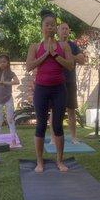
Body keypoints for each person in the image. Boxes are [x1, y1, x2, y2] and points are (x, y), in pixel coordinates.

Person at [26, 10, 74, 173]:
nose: (50, 27)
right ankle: (40, 162)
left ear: (56, 28)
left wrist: (55, 55)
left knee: (57, 125)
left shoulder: (64, 45)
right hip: (41, 89)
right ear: (42, 27)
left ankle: (59, 161)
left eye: (53, 25)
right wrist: (45, 54)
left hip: (59, 89)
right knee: (40, 124)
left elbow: (70, 65)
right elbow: (29, 66)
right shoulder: (35, 46)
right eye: (47, 25)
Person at [50, 22, 85, 144]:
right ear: (58, 31)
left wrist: (68, 54)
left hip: (70, 82)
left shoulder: (73, 46)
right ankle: (53, 138)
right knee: (54, 111)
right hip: (56, 82)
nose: (65, 31)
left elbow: (82, 60)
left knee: (71, 111)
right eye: (62, 29)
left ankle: (73, 138)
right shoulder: (53, 44)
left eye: (67, 29)